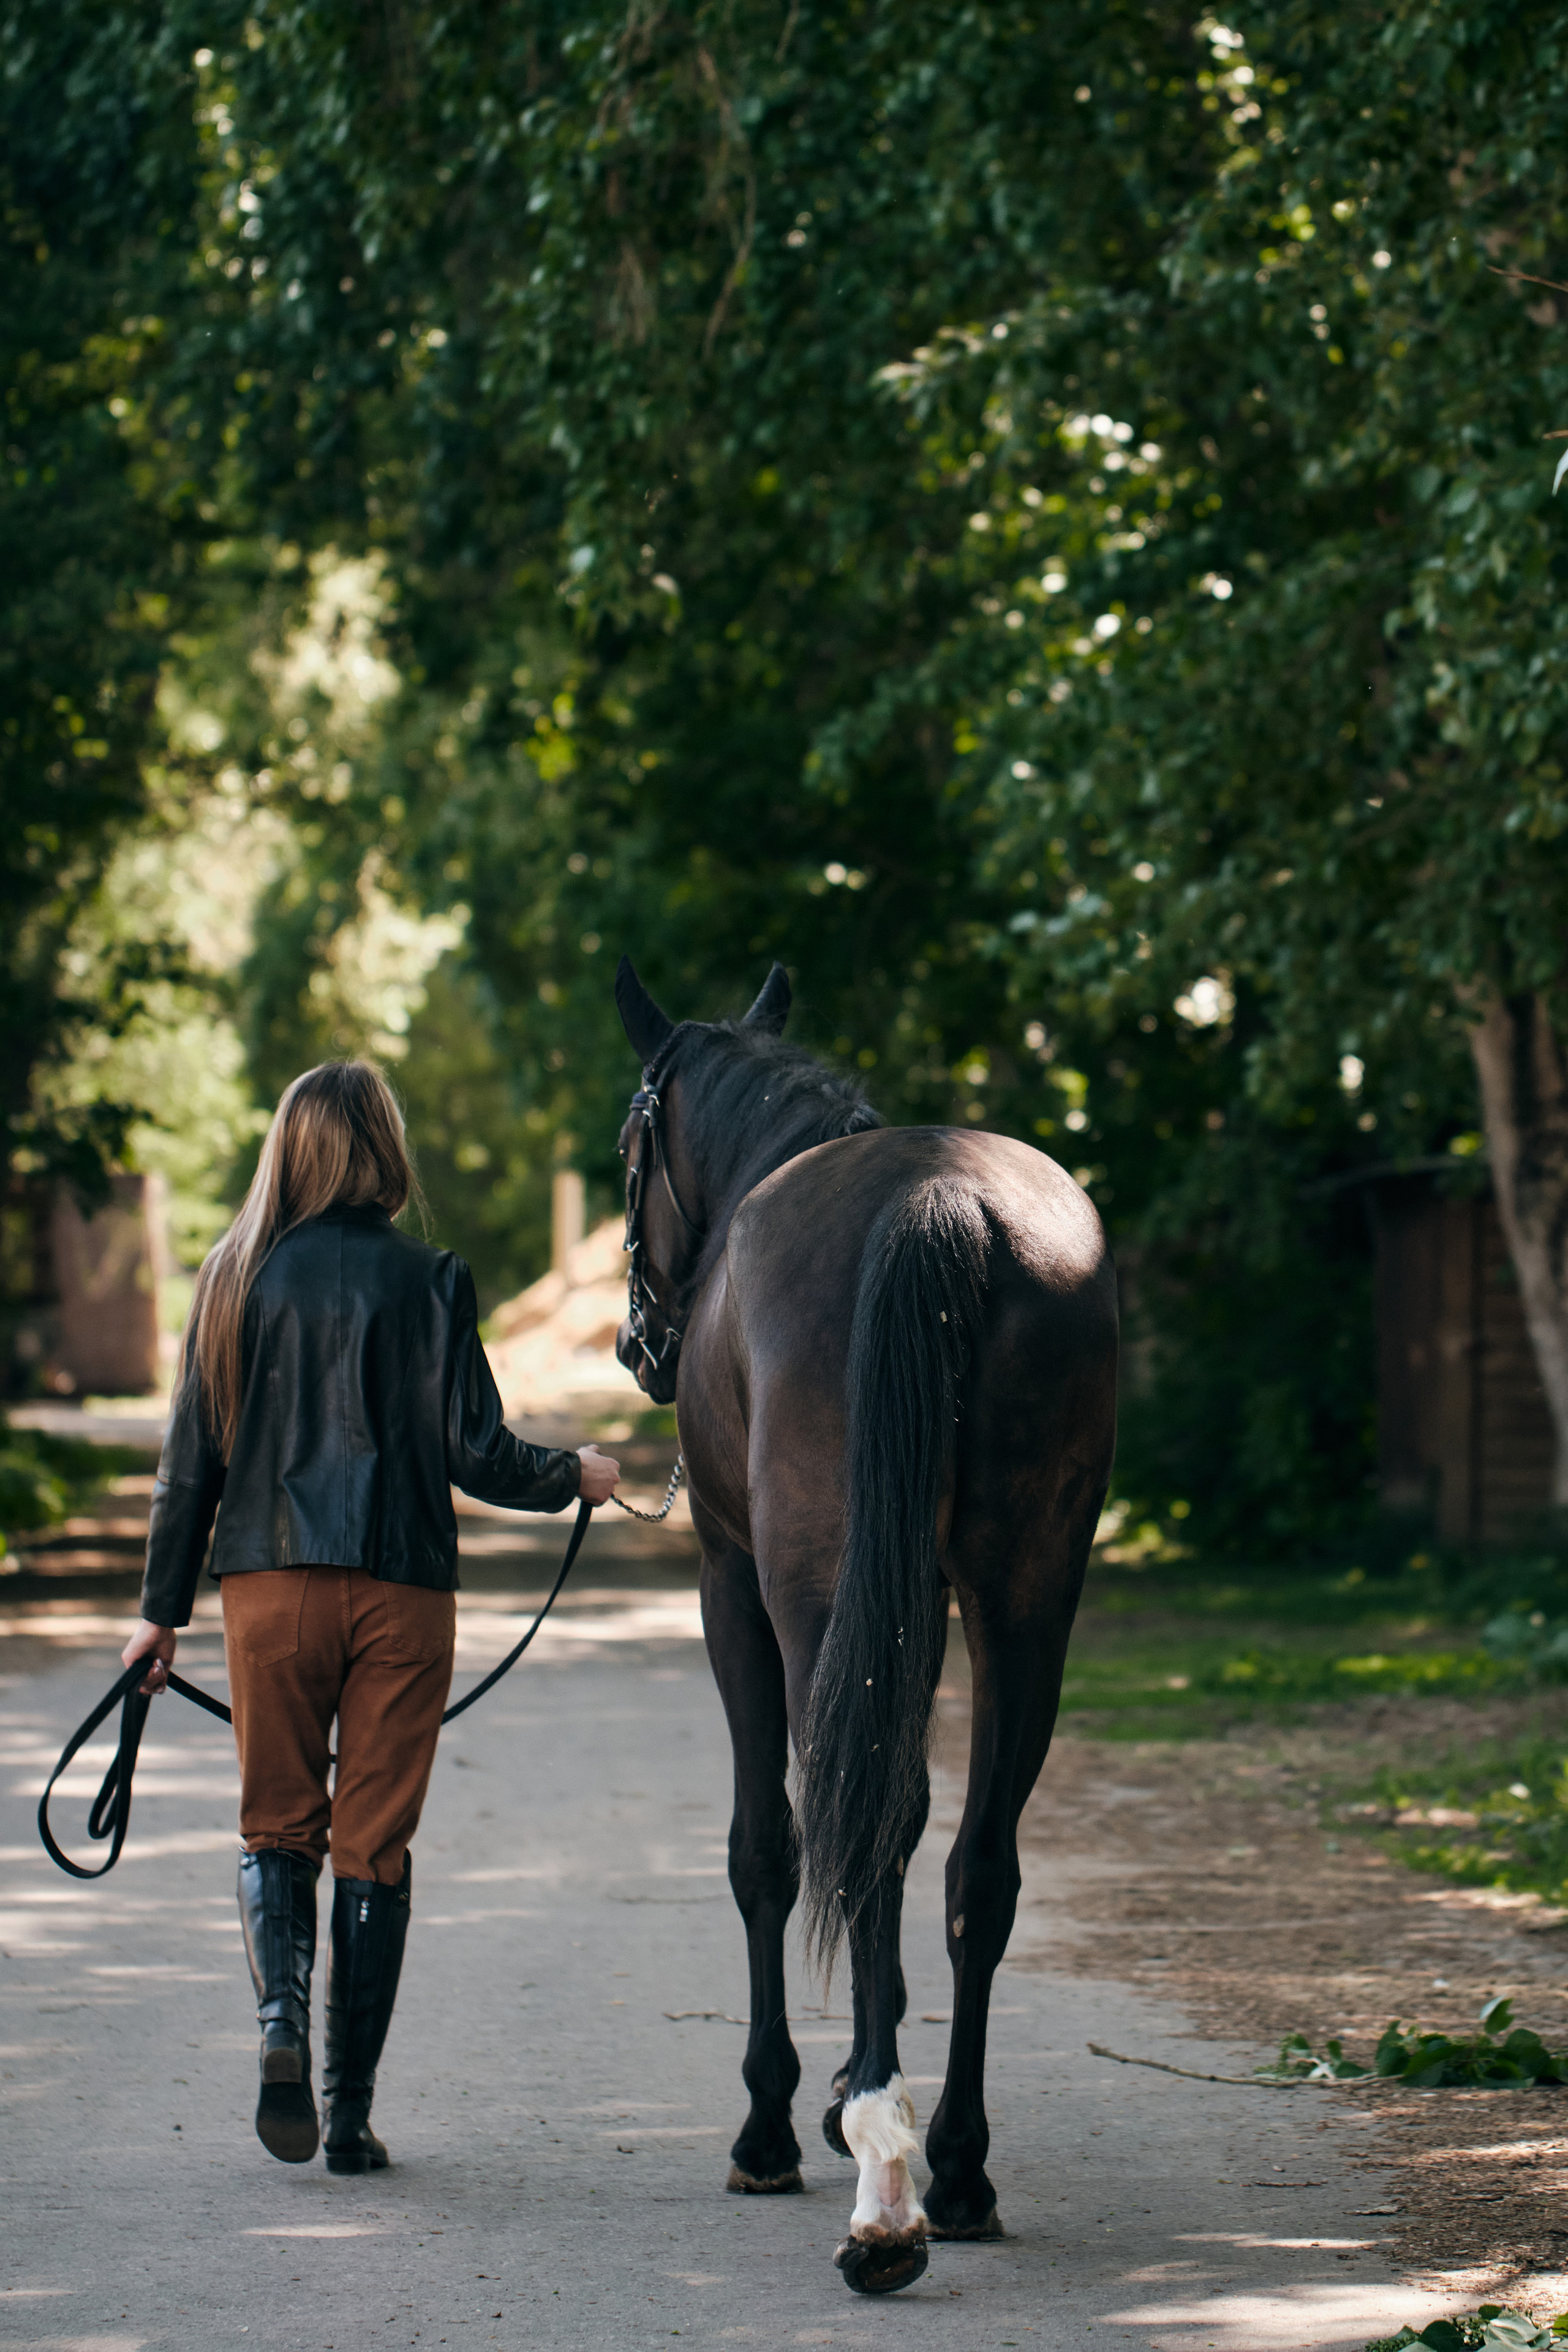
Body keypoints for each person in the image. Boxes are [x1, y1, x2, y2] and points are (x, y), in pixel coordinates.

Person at [121, 1061, 620, 2171]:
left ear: (289, 1149)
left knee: (276, 1829)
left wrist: (160, 1618)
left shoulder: (231, 1279)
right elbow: (476, 1452)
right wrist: (573, 1474)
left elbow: (186, 1469)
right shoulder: (432, 1278)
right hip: (402, 1591)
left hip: (269, 1590)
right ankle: (347, 2114)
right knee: (373, 1849)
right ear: (385, 1149)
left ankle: (279, 2028)